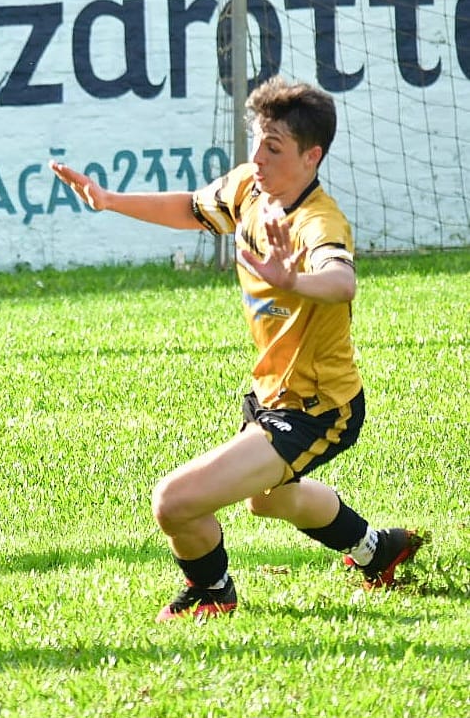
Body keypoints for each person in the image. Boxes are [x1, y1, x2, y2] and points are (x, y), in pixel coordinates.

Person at [49, 75, 423, 621]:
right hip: (273, 394)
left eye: (273, 148)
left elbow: (341, 281)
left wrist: (293, 280)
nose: (258, 158)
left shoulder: (319, 221)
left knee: (174, 502)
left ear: (312, 156)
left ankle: (211, 591)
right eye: (257, 143)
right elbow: (191, 209)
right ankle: (378, 551)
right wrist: (109, 201)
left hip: (318, 408)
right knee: (270, 499)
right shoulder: (249, 187)